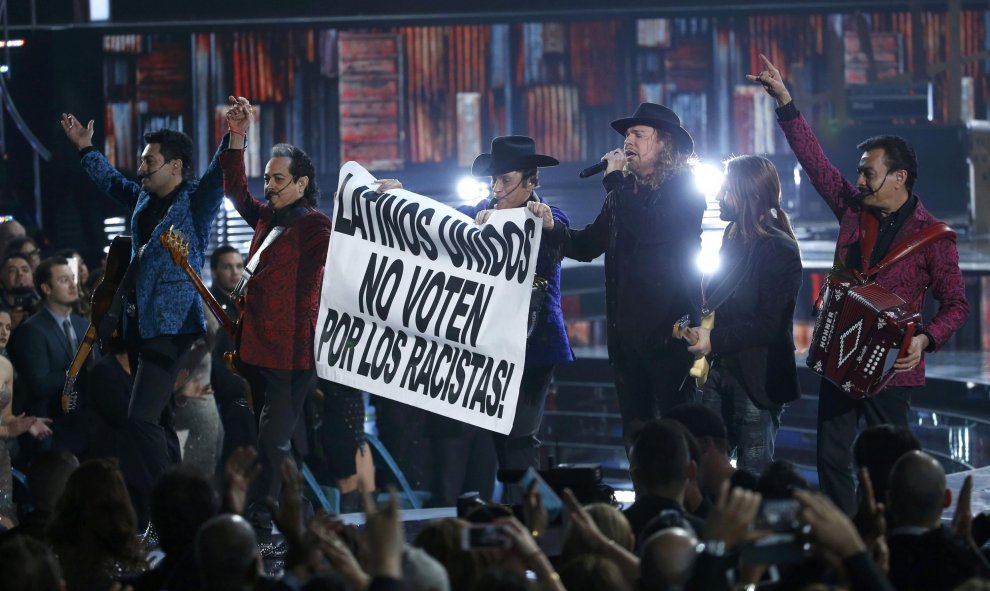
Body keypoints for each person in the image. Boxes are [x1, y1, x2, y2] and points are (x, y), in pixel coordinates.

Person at [748, 55, 969, 514]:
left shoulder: (934, 238)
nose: (859, 179)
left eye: (869, 172)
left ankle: (895, 535)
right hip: (840, 358)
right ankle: (843, 537)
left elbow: (956, 306)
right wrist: (785, 103)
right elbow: (815, 163)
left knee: (893, 463)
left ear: (899, 177)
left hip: (895, 369)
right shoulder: (853, 209)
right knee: (831, 457)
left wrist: (926, 338)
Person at [60, 110, 233, 525]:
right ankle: (186, 512)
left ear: (174, 166)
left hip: (173, 328)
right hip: (139, 325)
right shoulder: (142, 198)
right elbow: (113, 183)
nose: (140, 169)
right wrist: (85, 149)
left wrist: (236, 134)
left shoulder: (196, 201)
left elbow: (218, 172)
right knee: (160, 420)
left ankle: (171, 508)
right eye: (140, 161)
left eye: (148, 162)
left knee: (140, 419)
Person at [546, 102, 705, 447]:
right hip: (626, 340)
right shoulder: (623, 193)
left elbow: (650, 229)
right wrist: (551, 228)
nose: (627, 140)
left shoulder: (684, 190)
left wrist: (616, 181)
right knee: (637, 434)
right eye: (626, 134)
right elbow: (588, 245)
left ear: (664, 143)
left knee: (677, 434)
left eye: (638, 133)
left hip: (668, 335)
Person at [220, 97, 333, 526]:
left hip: (291, 355)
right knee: (278, 443)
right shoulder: (267, 218)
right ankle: (299, 514)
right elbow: (234, 191)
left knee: (272, 443)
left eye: (278, 179)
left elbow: (347, 255)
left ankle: (262, 517)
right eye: (267, 178)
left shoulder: (316, 226)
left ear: (302, 183)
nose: (269, 185)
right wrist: (237, 135)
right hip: (256, 351)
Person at [684, 155, 802, 474]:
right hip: (720, 369)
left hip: (756, 379)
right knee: (707, 464)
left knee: (753, 473)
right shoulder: (733, 236)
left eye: (727, 190)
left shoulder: (779, 249)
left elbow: (770, 325)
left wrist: (713, 340)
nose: (720, 197)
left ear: (750, 195)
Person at [8, 257, 90, 459]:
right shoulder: (32, 330)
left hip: (85, 426)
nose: (73, 285)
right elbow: (39, 383)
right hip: (53, 429)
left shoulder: (83, 324)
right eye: (64, 280)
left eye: (72, 278)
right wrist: (80, 370)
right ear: (46, 288)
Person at [0, 308, 51, 520]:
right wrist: (7, 430)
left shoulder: (6, 367)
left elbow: (5, 416)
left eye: (8, 327)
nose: (4, 332)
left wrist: (25, 423)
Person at [208, 245, 256, 464]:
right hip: (226, 400)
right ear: (215, 271)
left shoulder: (248, 303)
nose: (235, 272)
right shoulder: (207, 305)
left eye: (239, 266)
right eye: (228, 267)